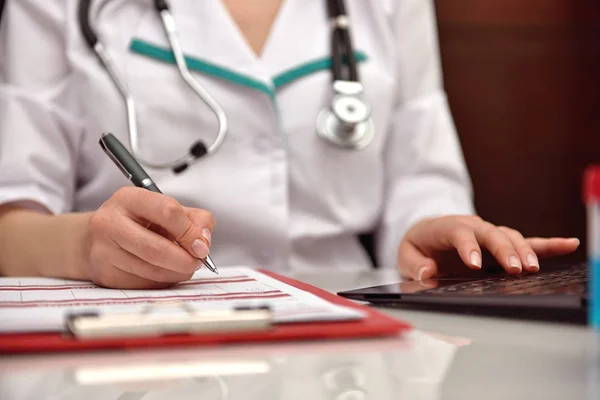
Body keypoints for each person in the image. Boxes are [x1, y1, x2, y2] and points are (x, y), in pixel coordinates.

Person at [0, 0, 579, 289]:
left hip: (355, 326)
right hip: (139, 323)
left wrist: (430, 231)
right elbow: (11, 220)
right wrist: (88, 247)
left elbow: (421, 177)